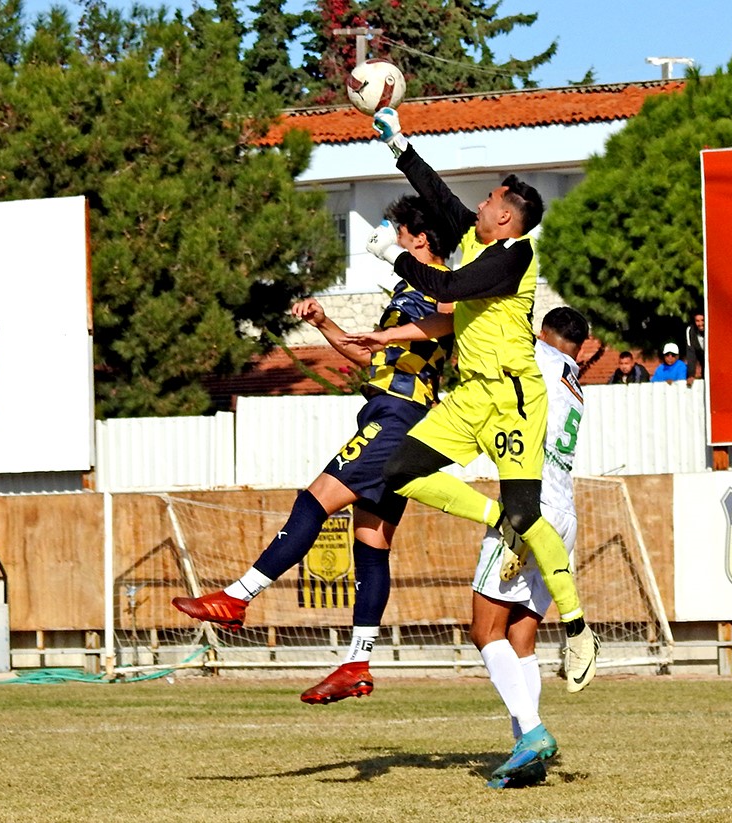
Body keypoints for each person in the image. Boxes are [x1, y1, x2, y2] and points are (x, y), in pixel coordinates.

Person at [170, 195, 456, 705]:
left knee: (314, 500)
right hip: (395, 415)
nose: (390, 238)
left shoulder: (443, 286)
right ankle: (357, 661)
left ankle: (237, 598)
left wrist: (387, 331)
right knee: (370, 542)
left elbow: (451, 318)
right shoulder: (410, 290)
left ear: (419, 236)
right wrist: (325, 324)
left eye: (397, 229)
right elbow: (367, 352)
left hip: (398, 415)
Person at [357, 105, 600, 692]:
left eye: (491, 200)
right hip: (471, 397)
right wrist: (397, 144)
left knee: (526, 515)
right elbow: (438, 197)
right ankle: (496, 516)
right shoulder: (477, 233)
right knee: (400, 470)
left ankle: (578, 626)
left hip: (516, 400)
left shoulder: (514, 257)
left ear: (508, 217)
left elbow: (446, 287)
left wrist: (392, 256)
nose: (481, 205)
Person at [468, 307, 589, 789]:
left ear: (542, 335)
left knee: (484, 630)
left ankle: (533, 732)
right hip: (565, 516)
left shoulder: (536, 355)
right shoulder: (576, 381)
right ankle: (528, 750)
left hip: (528, 508)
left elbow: (490, 316)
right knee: (521, 638)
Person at [684, 313, 705, 388]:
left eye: (702, 320)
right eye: (697, 321)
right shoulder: (690, 331)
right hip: (702, 361)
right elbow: (691, 353)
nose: (700, 323)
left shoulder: (712, 328)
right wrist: (691, 374)